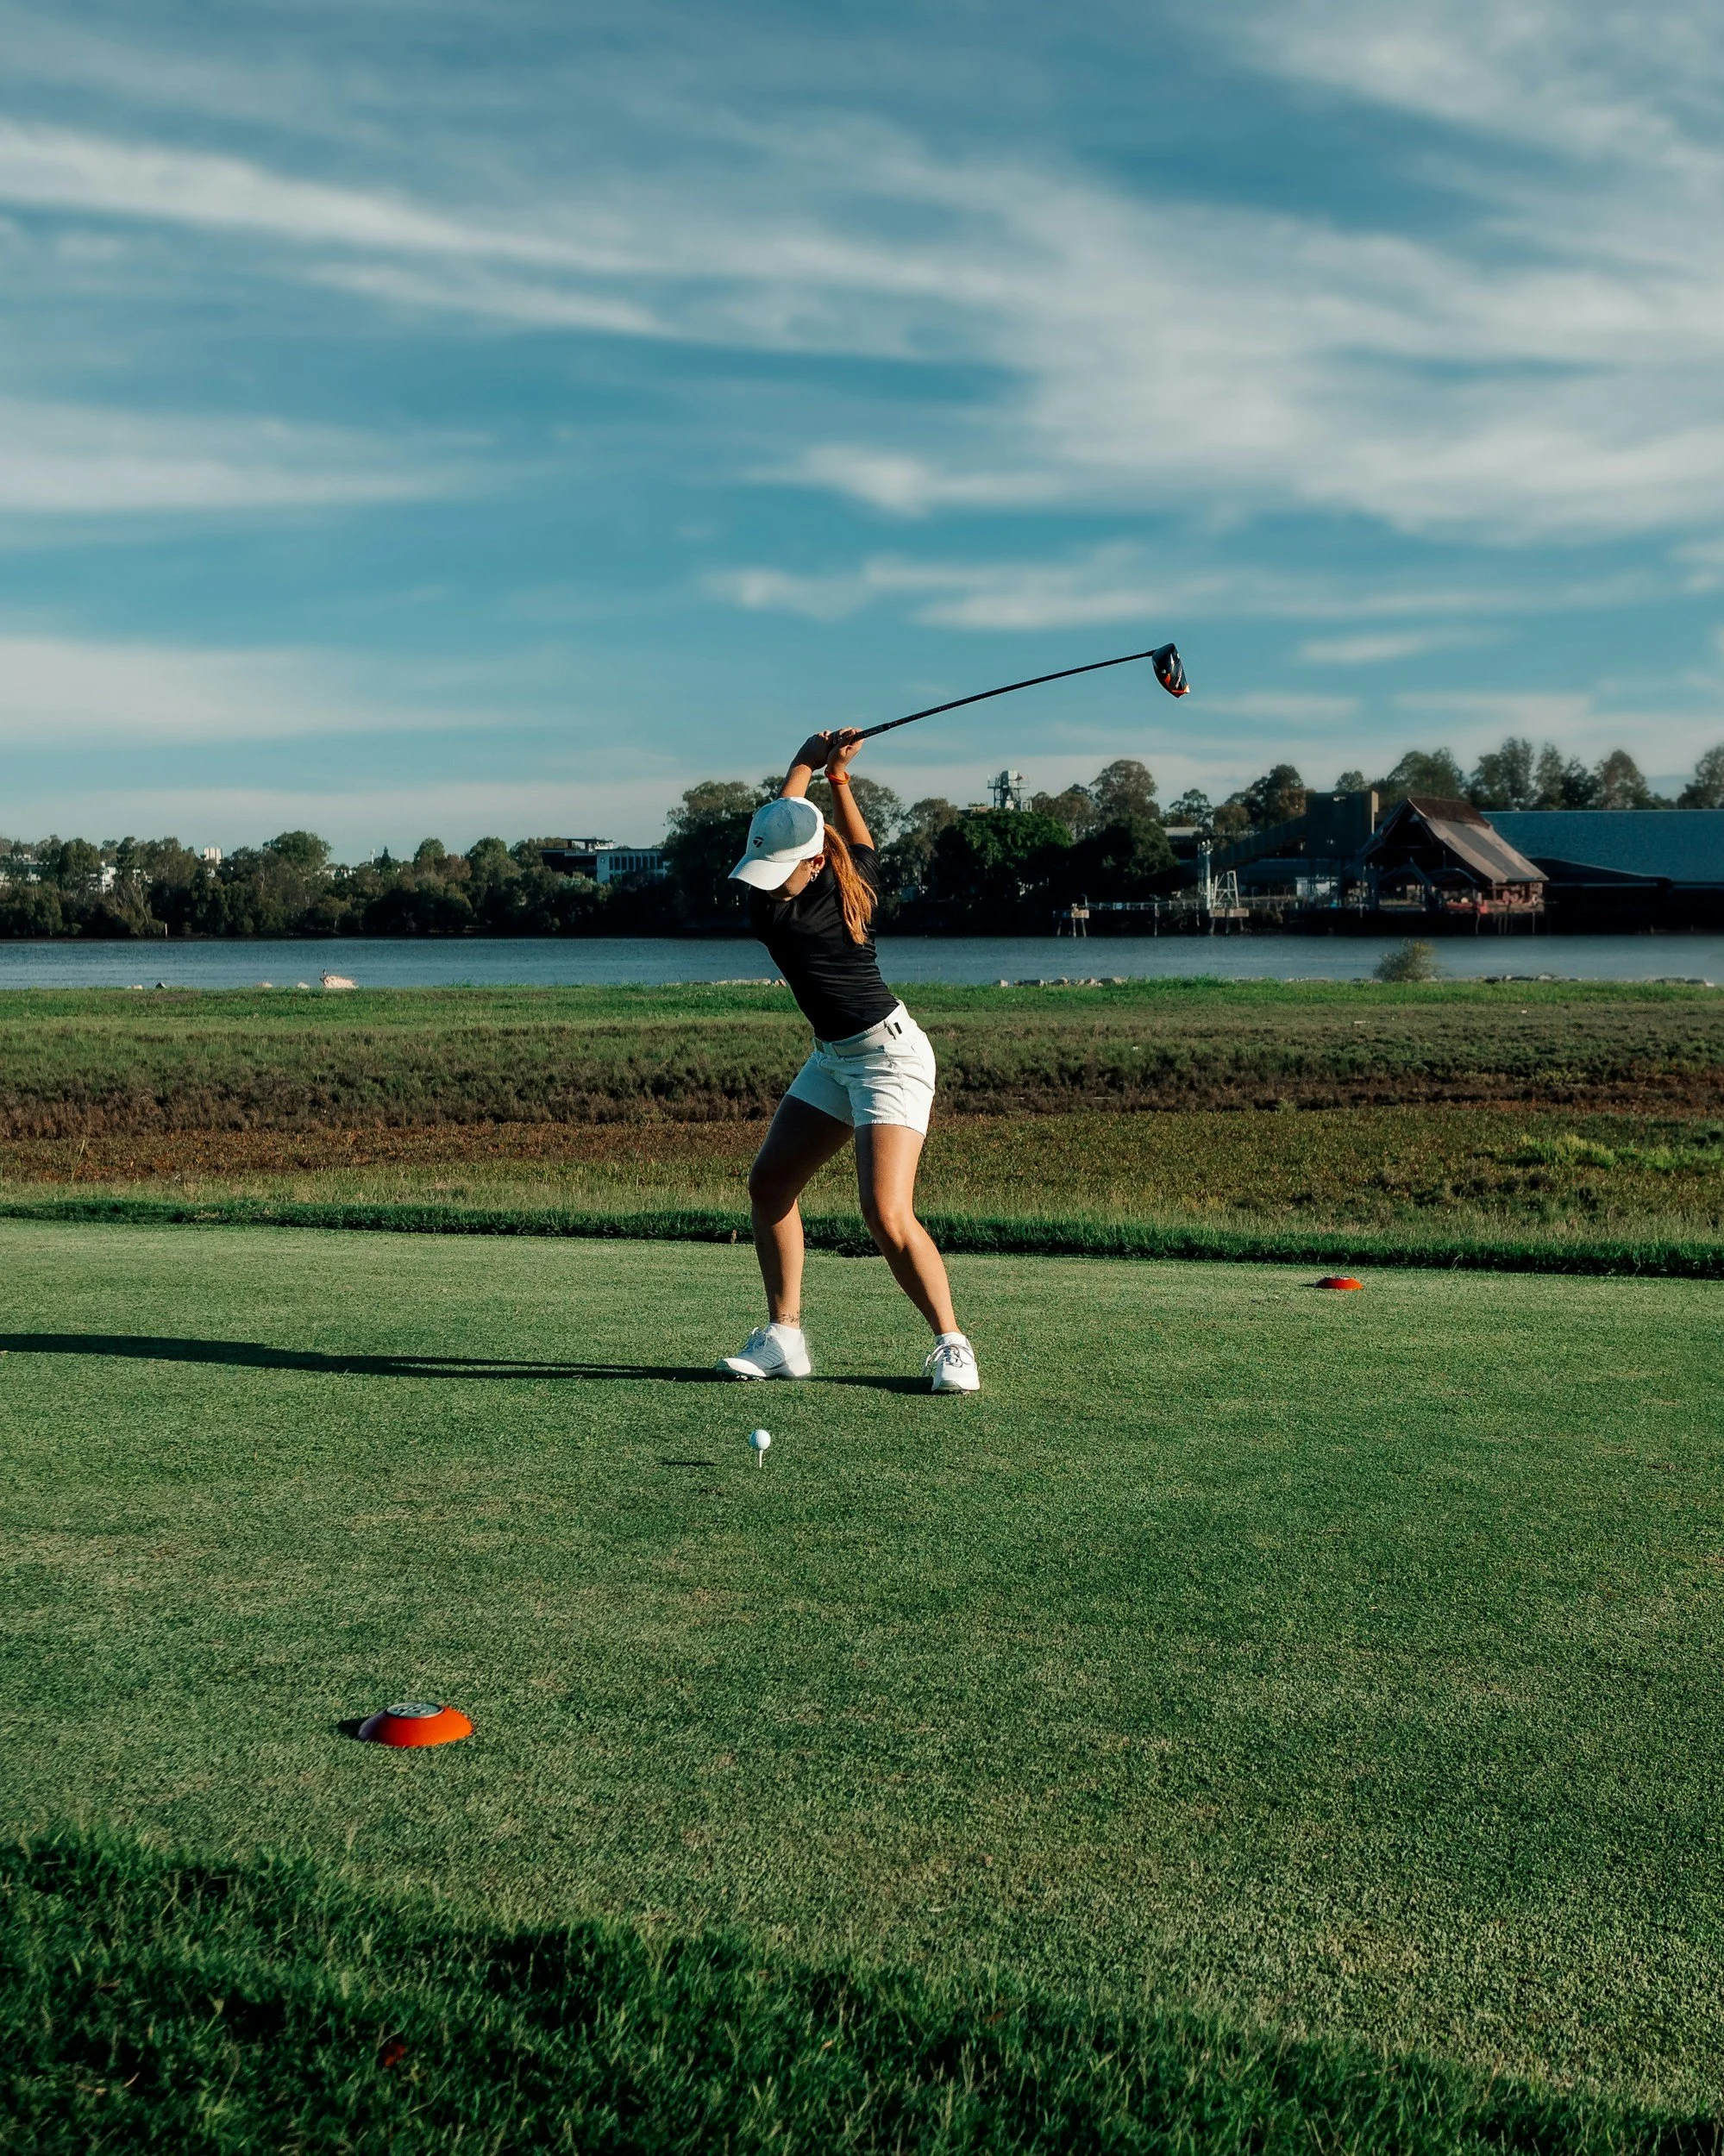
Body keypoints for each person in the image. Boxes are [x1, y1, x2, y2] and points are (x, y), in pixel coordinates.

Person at [715, 728, 980, 1394]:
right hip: (833, 1059)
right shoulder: (838, 880)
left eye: (782, 871)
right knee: (769, 1186)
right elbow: (818, 830)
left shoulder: (787, 916)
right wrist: (833, 776)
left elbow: (795, 817)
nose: (767, 886)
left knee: (884, 1213)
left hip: (891, 1059)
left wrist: (806, 761)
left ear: (811, 865)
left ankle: (953, 1346)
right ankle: (784, 1337)